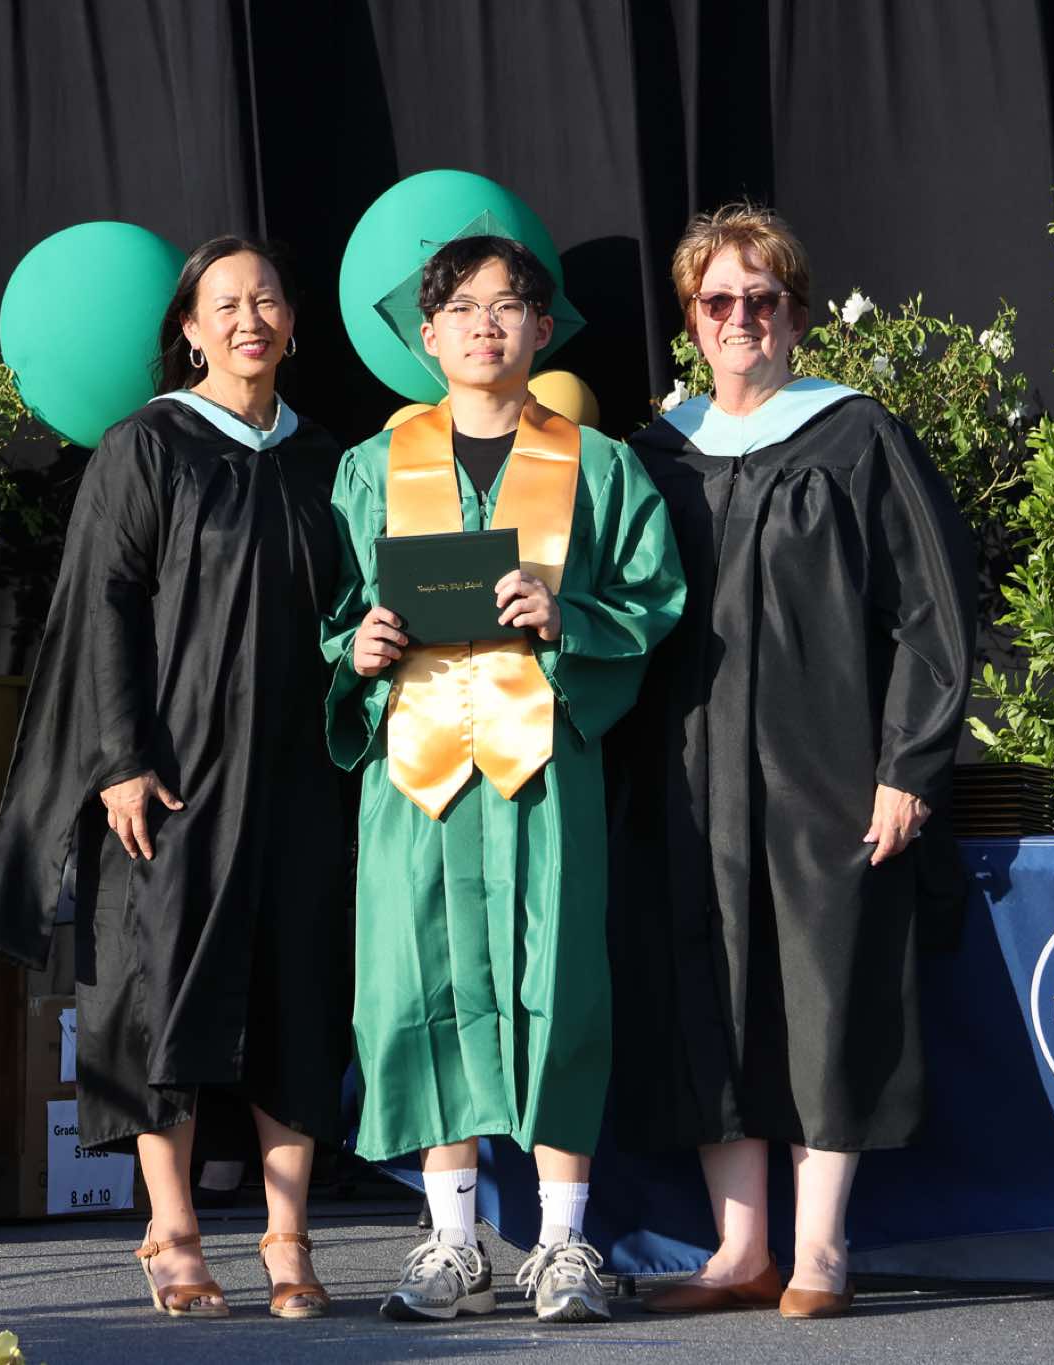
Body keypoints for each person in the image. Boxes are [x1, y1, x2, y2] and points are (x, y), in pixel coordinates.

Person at [608, 203, 977, 1319]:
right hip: (685, 774)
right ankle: (740, 1250)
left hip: (825, 770)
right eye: (716, 300)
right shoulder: (657, 452)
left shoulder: (855, 436)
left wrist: (909, 765)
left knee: (823, 987)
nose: (740, 319)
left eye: (760, 299)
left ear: (796, 313)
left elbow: (933, 613)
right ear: (690, 318)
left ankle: (820, 1246)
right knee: (706, 989)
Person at [0, 236, 350, 1320]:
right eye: (224, 304)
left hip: (296, 777)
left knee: (296, 995)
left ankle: (287, 1235)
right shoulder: (147, 446)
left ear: (292, 323)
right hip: (173, 778)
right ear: (188, 328)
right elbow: (100, 606)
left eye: (266, 300)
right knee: (158, 991)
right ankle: (172, 1229)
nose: (249, 319)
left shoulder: (325, 458)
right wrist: (119, 760)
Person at [321, 235, 684, 1324]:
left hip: (542, 769)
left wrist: (569, 616)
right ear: (427, 335)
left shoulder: (598, 464)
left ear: (542, 328)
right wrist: (358, 650)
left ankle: (562, 1244)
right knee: (420, 989)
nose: (486, 324)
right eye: (462, 307)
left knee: (559, 985)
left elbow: (654, 599)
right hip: (418, 773)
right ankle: (452, 1242)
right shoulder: (373, 466)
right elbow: (333, 612)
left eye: (509, 304)